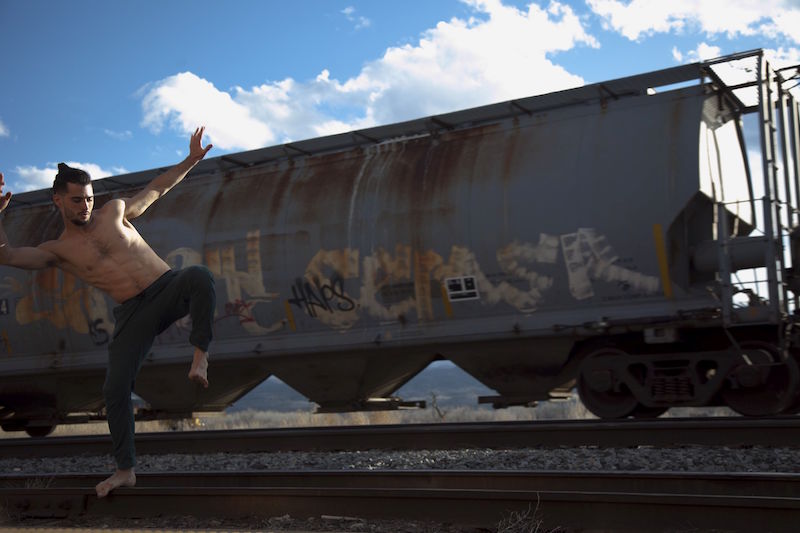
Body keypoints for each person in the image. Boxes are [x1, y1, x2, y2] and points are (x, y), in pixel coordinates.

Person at [0, 127, 216, 498]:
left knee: (199, 275)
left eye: (88, 198)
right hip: (133, 313)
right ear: (58, 201)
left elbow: (158, 188)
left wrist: (190, 160)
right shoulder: (59, 249)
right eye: (76, 201)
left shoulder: (115, 211)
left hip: (166, 288)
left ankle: (200, 358)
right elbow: (9, 256)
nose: (84, 206)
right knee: (115, 387)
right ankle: (125, 470)